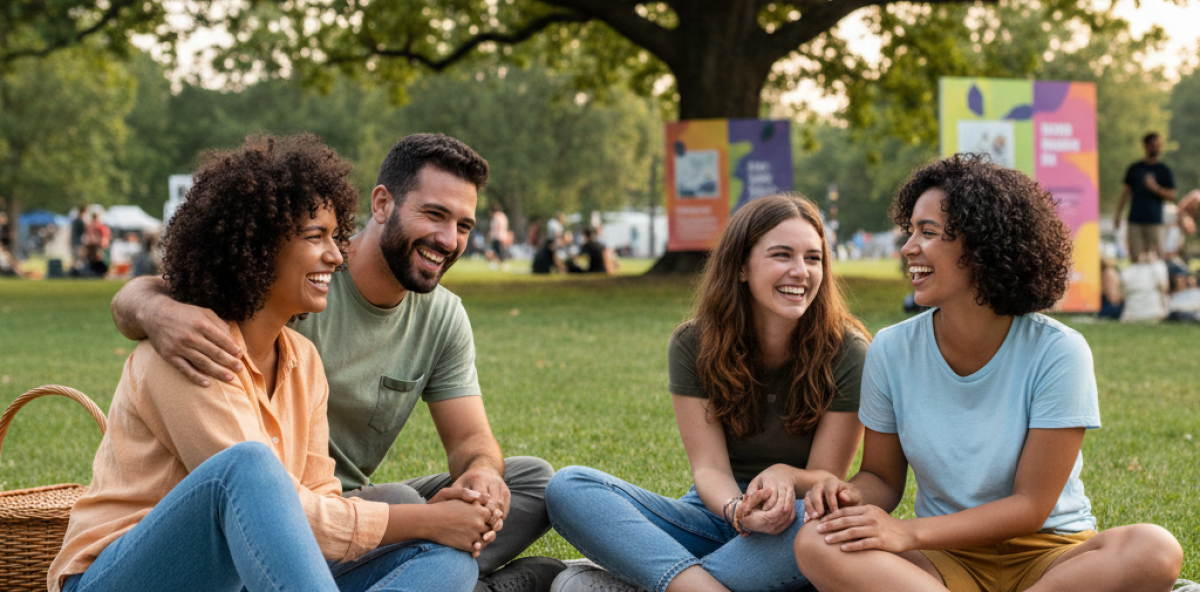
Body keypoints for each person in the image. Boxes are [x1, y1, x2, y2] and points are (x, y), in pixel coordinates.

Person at [109, 134, 561, 592]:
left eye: (464, 224)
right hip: (162, 567)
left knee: (458, 555)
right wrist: (153, 309)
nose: (335, 254)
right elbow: (275, 506)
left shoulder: (305, 356)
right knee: (256, 469)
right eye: (434, 214)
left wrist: (475, 484)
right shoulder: (195, 344)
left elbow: (465, 440)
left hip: (311, 530)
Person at [794, 154, 1183, 592]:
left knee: (1155, 548)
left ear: (982, 246)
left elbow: (1030, 506)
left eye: (928, 232)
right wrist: (849, 498)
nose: (908, 248)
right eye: (911, 231)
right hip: (944, 559)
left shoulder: (1058, 351)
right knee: (815, 543)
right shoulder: (892, 348)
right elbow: (882, 478)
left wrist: (908, 532)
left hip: (1051, 556)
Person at [547, 194, 871, 592]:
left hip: (793, 522)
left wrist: (784, 475)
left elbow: (827, 477)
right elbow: (710, 468)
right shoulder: (693, 343)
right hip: (717, 513)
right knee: (568, 487)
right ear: (741, 267)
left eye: (814, 258)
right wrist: (737, 512)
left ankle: (660, 576)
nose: (800, 272)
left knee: (821, 523)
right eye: (782, 255)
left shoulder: (849, 352)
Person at [1113, 132, 1176, 261]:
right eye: (1153, 145)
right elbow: (1125, 194)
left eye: (1159, 145)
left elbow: (1172, 194)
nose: (1156, 148)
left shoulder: (1163, 170)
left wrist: (1155, 188)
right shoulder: (1135, 169)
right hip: (1135, 220)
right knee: (1136, 257)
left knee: (1156, 257)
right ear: (1146, 146)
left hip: (1154, 221)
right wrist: (1118, 215)